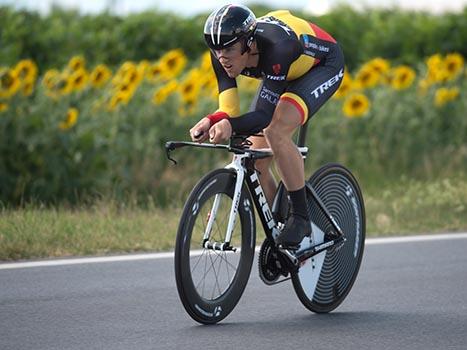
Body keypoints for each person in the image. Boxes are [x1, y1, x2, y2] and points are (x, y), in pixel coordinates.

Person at [189, 4, 344, 249]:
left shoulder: (276, 46)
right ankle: (281, 225)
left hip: (321, 65)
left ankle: (301, 218)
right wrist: (213, 120)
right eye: (216, 51)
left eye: (229, 49)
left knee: (276, 130)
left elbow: (262, 116)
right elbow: (228, 110)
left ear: (248, 43)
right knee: (256, 159)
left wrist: (230, 126)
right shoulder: (222, 49)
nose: (222, 58)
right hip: (280, 71)